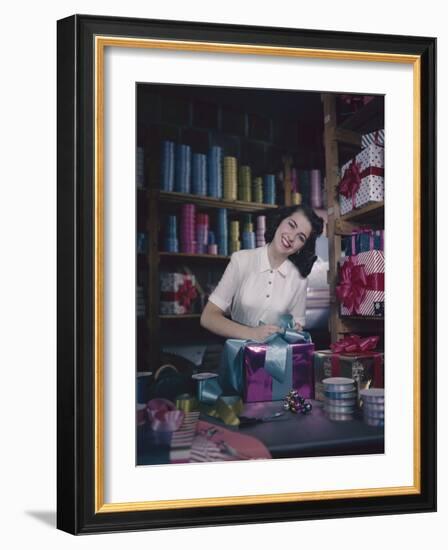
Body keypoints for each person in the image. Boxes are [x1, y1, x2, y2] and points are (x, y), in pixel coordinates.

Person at [200, 205, 324, 342]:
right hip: (237, 355)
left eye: (300, 237)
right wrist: (252, 333)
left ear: (302, 247)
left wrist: (292, 331)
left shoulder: (299, 281)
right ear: (280, 221)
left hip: (276, 359)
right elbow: (208, 317)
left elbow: (296, 330)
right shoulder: (241, 261)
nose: (291, 237)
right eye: (291, 225)